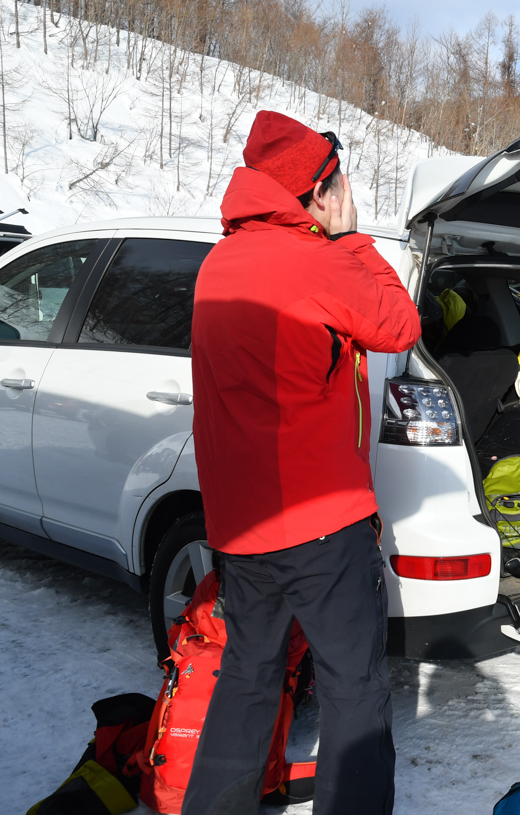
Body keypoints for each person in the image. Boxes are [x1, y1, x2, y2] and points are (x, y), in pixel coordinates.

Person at [183, 111, 421, 814]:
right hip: (319, 522)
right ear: (316, 192)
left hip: (241, 525)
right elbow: (399, 324)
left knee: (248, 677)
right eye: (338, 184)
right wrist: (352, 240)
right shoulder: (317, 260)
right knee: (353, 687)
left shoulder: (216, 265)